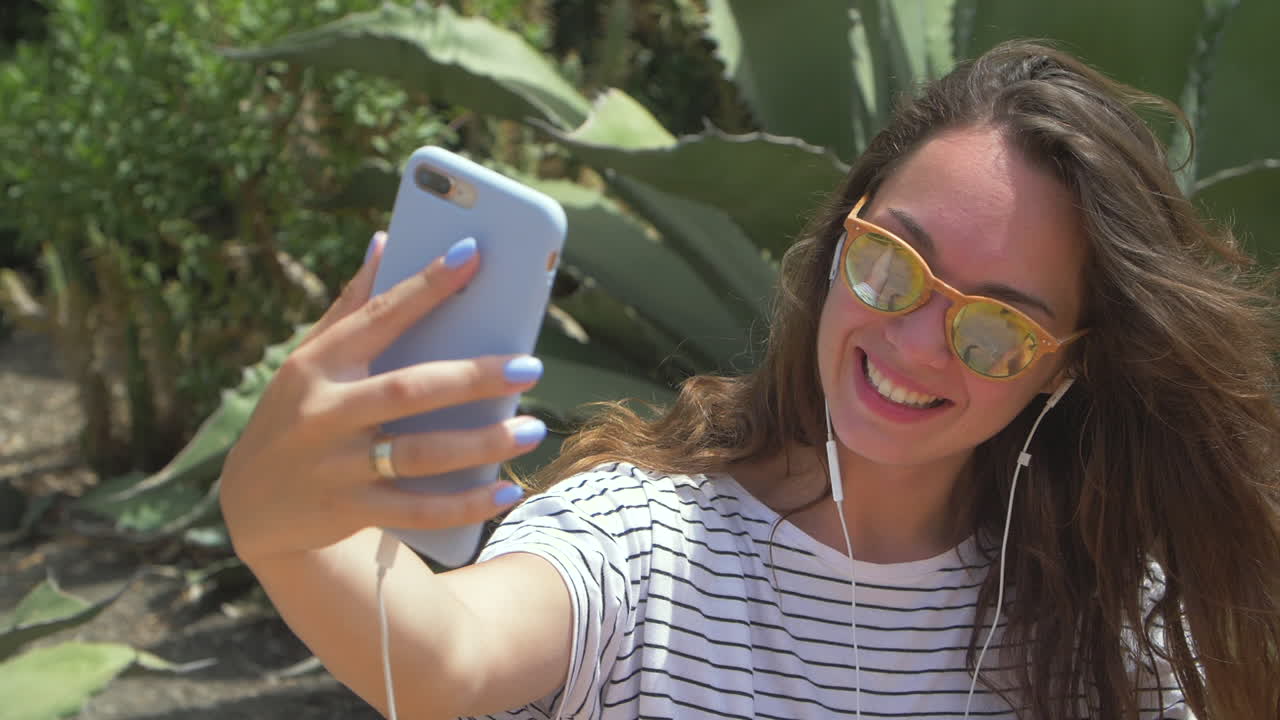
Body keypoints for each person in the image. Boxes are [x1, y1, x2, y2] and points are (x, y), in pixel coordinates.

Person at [219, 40, 1280, 720]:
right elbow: (446, 657)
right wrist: (281, 526)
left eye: (995, 329)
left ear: (1061, 369)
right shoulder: (641, 543)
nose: (912, 343)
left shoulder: (1113, 624)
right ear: (833, 244)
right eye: (889, 264)